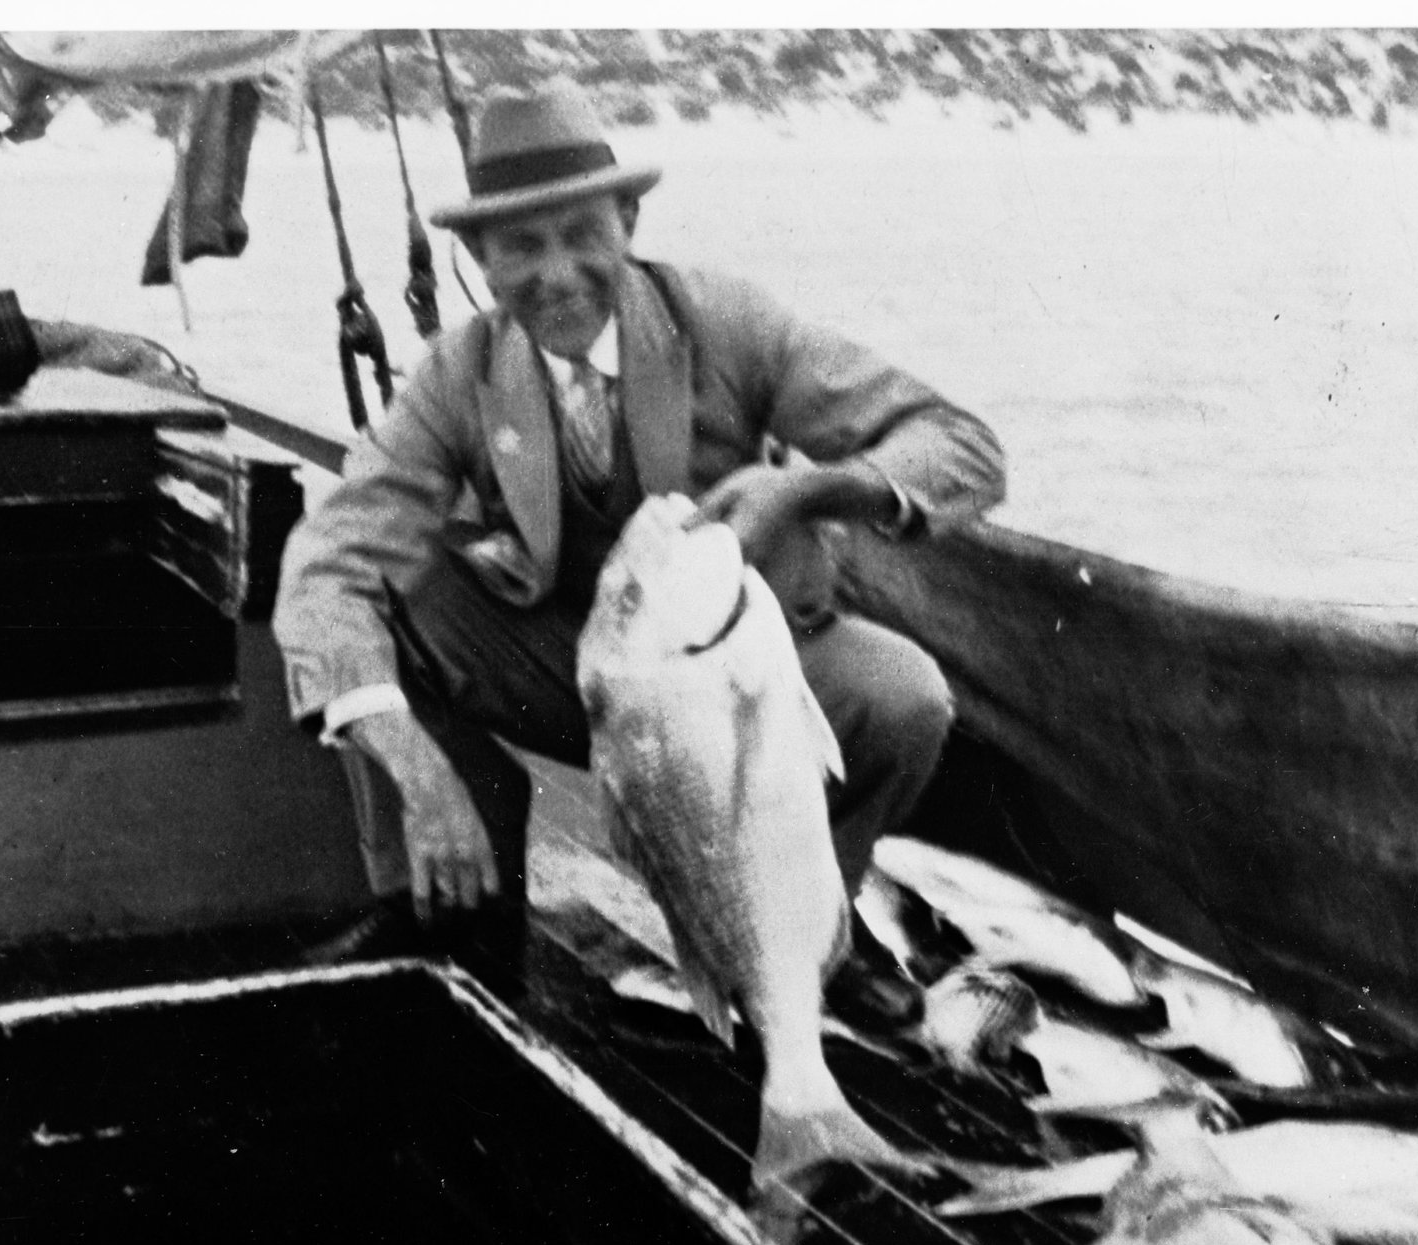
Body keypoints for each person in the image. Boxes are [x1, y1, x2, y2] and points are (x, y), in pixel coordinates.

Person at [273, 80, 1006, 992]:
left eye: (583, 233)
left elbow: (961, 446)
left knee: (903, 698)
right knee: (395, 599)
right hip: (571, 664)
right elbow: (326, 569)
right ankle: (452, 903)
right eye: (521, 246)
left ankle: (817, 923)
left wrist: (810, 489)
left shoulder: (728, 322)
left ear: (628, 223)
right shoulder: (459, 374)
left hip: (732, 675)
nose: (556, 273)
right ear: (480, 260)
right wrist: (417, 769)